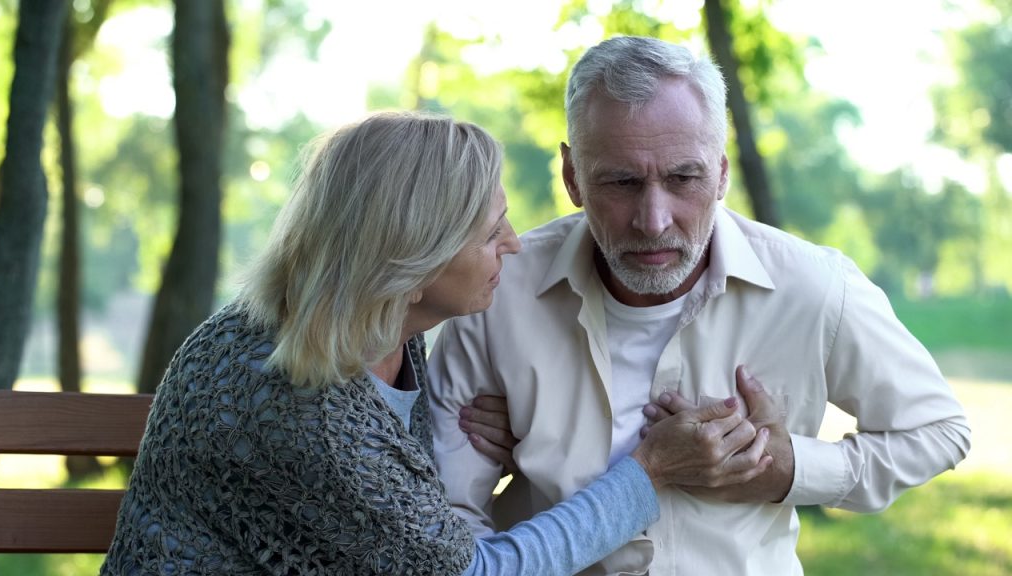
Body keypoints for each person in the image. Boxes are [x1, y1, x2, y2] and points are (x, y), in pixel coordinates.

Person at [100, 111, 775, 575]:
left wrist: (494, 442)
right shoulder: (287, 399)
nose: (513, 244)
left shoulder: (385, 333)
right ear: (411, 256)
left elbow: (391, 509)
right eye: (490, 232)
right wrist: (650, 472)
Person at [428, 36, 972, 575]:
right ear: (572, 178)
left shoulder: (814, 287)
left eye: (683, 178)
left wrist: (789, 470)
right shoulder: (498, 292)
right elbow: (451, 523)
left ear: (722, 174)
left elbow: (939, 431)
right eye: (621, 181)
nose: (654, 219)